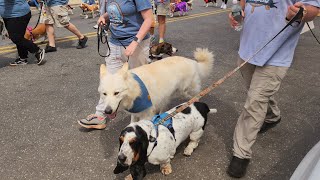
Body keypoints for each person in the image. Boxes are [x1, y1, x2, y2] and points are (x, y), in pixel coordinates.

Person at [227, 0, 319, 178]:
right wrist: (236, 12)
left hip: (277, 53)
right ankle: (272, 116)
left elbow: (313, 9)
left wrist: (302, 11)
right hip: (247, 49)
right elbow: (241, 2)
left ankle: (241, 152)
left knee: (255, 101)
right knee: (256, 94)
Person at [78, 0, 153, 129]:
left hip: (136, 43)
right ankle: (100, 115)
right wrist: (104, 17)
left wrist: (135, 42)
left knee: (138, 82)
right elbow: (115, 10)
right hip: (114, 42)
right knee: (109, 82)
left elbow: (148, 20)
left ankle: (144, 119)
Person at [0, 0, 45, 66]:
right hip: (9, 15)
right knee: (18, 36)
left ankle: (37, 50)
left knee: (16, 38)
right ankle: (22, 58)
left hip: (18, 15)